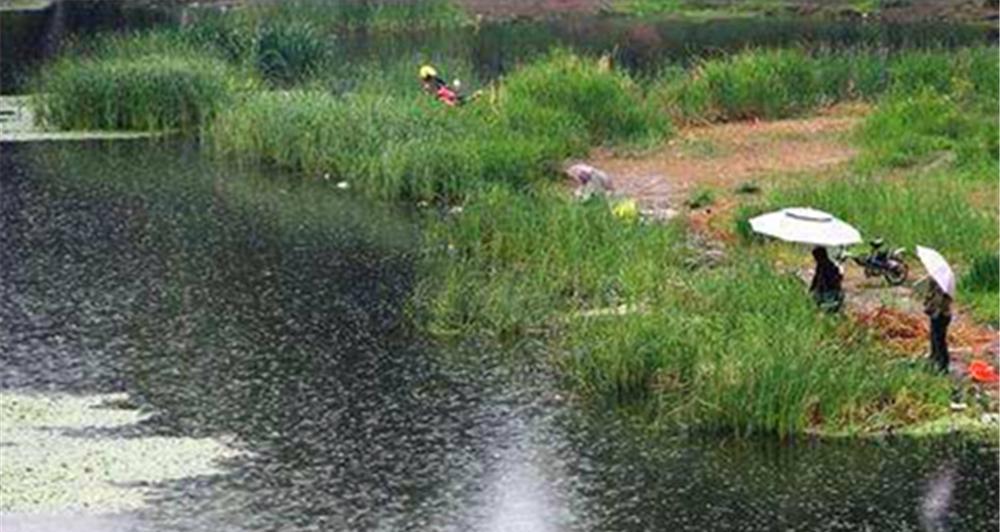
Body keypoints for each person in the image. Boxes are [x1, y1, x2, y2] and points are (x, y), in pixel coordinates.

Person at [919, 276, 953, 373]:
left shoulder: (942, 285)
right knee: (934, 336)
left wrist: (928, 306)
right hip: (938, 314)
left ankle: (943, 365)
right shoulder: (936, 282)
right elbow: (930, 296)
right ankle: (934, 356)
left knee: (939, 339)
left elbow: (938, 302)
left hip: (941, 315)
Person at [809, 246, 843, 312]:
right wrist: (812, 288)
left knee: (826, 307)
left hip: (829, 291)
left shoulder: (829, 266)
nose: (815, 259)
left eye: (816, 257)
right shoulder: (820, 265)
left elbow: (831, 281)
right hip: (824, 290)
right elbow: (816, 278)